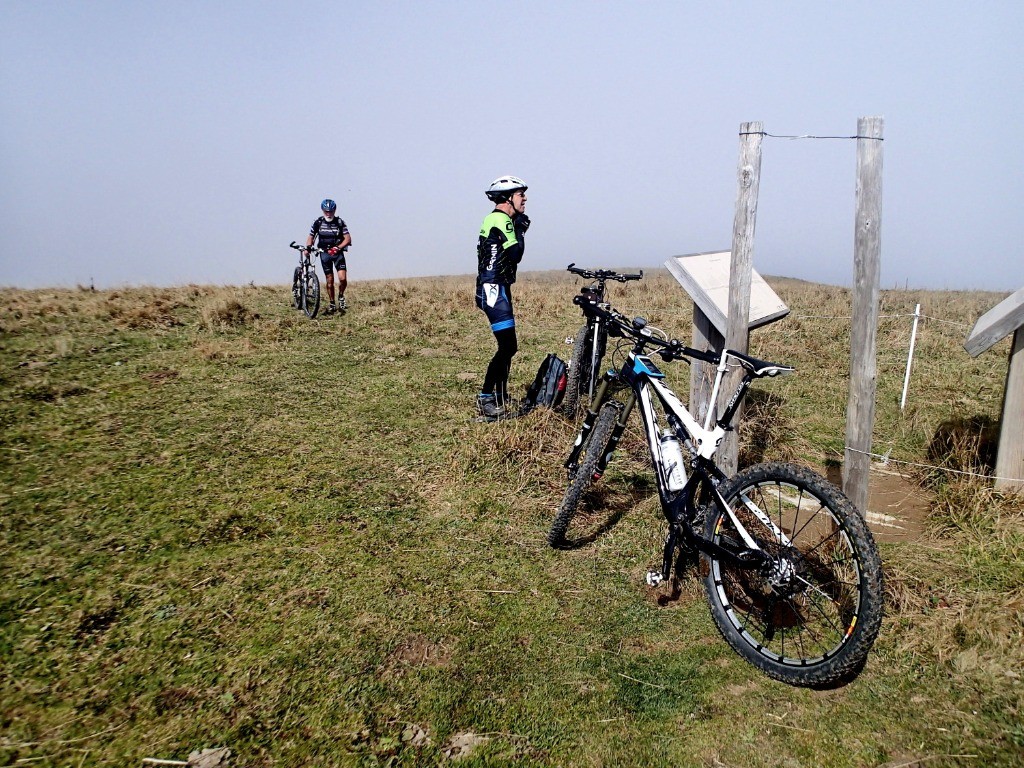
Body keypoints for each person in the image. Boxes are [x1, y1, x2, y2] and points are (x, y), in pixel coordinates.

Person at [475, 175, 530, 419]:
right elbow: (516, 253)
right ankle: (486, 397)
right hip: (493, 289)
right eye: (520, 194)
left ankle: (499, 394)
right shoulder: (501, 220)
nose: (525, 198)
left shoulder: (495, 219)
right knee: (508, 346)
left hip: (496, 287)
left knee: (508, 346)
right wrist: (520, 229)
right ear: (508, 198)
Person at [305, 198, 352, 314]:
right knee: (330, 281)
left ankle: (341, 296)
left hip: (337, 253)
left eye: (331, 211)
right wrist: (308, 248)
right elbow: (311, 236)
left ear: (334, 210)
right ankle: (332, 303)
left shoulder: (340, 222)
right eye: (326, 211)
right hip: (324, 253)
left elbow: (348, 238)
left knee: (343, 279)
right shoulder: (318, 222)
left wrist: (338, 248)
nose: (329, 213)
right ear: (323, 210)